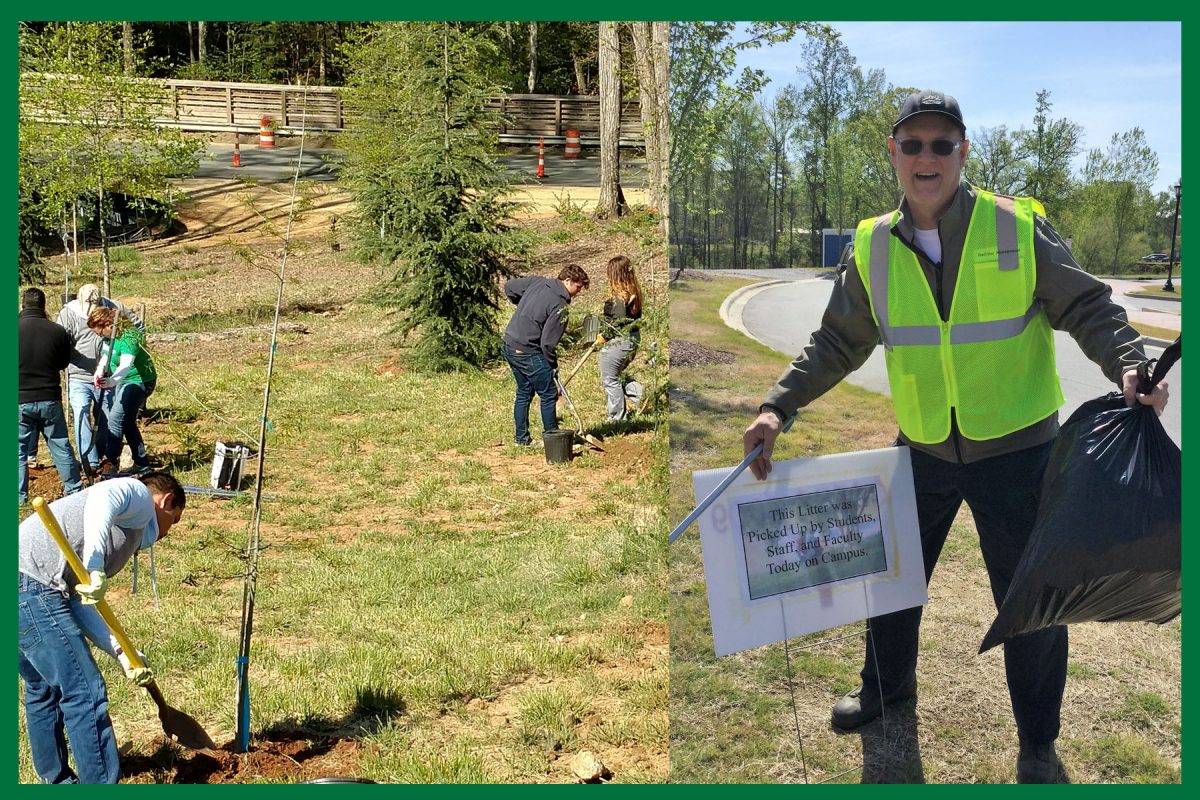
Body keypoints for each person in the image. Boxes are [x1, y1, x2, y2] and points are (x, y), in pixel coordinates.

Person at [741, 90, 1169, 784]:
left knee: (1029, 600)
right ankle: (885, 693)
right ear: (893, 154)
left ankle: (1038, 738)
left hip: (1021, 451)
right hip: (923, 449)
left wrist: (1127, 362)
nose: (927, 157)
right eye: (913, 144)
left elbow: (1088, 305)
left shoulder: (1016, 227)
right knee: (891, 585)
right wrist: (775, 408)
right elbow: (835, 342)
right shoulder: (872, 244)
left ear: (963, 153)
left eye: (942, 144)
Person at [18, 471, 186, 784]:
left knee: (43, 689)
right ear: (167, 501)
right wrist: (94, 565)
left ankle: (56, 785)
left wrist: (122, 652)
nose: (167, 533)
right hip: (31, 584)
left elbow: (77, 602)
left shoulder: (125, 532)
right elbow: (101, 499)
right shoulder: (136, 494)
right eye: (173, 521)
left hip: (25, 587)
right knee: (84, 691)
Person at [56, 284, 144, 476]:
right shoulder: (67, 314)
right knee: (81, 414)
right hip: (79, 375)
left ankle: (106, 457)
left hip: (108, 377)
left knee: (107, 417)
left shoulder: (114, 308)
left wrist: (128, 349)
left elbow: (138, 328)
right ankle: (90, 460)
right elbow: (60, 342)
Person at [502, 264, 589, 446]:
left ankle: (521, 440)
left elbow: (509, 287)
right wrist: (552, 365)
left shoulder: (538, 282)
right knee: (549, 394)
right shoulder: (560, 305)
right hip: (527, 351)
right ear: (567, 281)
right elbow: (548, 343)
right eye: (578, 287)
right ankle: (554, 440)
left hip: (509, 345)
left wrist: (525, 307)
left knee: (524, 392)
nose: (578, 292)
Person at [19, 288, 83, 505]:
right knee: (60, 444)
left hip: (18, 399)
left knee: (17, 451)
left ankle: (19, 497)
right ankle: (74, 489)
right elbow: (64, 363)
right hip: (49, 396)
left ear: (22, 305)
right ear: (43, 306)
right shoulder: (57, 331)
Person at [87, 307, 157, 477]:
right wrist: (99, 371)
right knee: (127, 422)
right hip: (124, 381)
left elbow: (126, 365)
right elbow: (105, 356)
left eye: (99, 332)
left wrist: (111, 381)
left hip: (140, 381)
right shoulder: (109, 337)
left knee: (115, 419)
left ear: (108, 325)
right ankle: (141, 463)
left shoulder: (130, 337)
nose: (98, 336)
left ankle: (111, 461)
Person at [598, 255, 645, 421]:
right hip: (633, 338)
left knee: (610, 379)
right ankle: (643, 397)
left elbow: (618, 321)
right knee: (618, 376)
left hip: (619, 341)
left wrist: (603, 336)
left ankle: (617, 418)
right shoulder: (633, 292)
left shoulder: (619, 296)